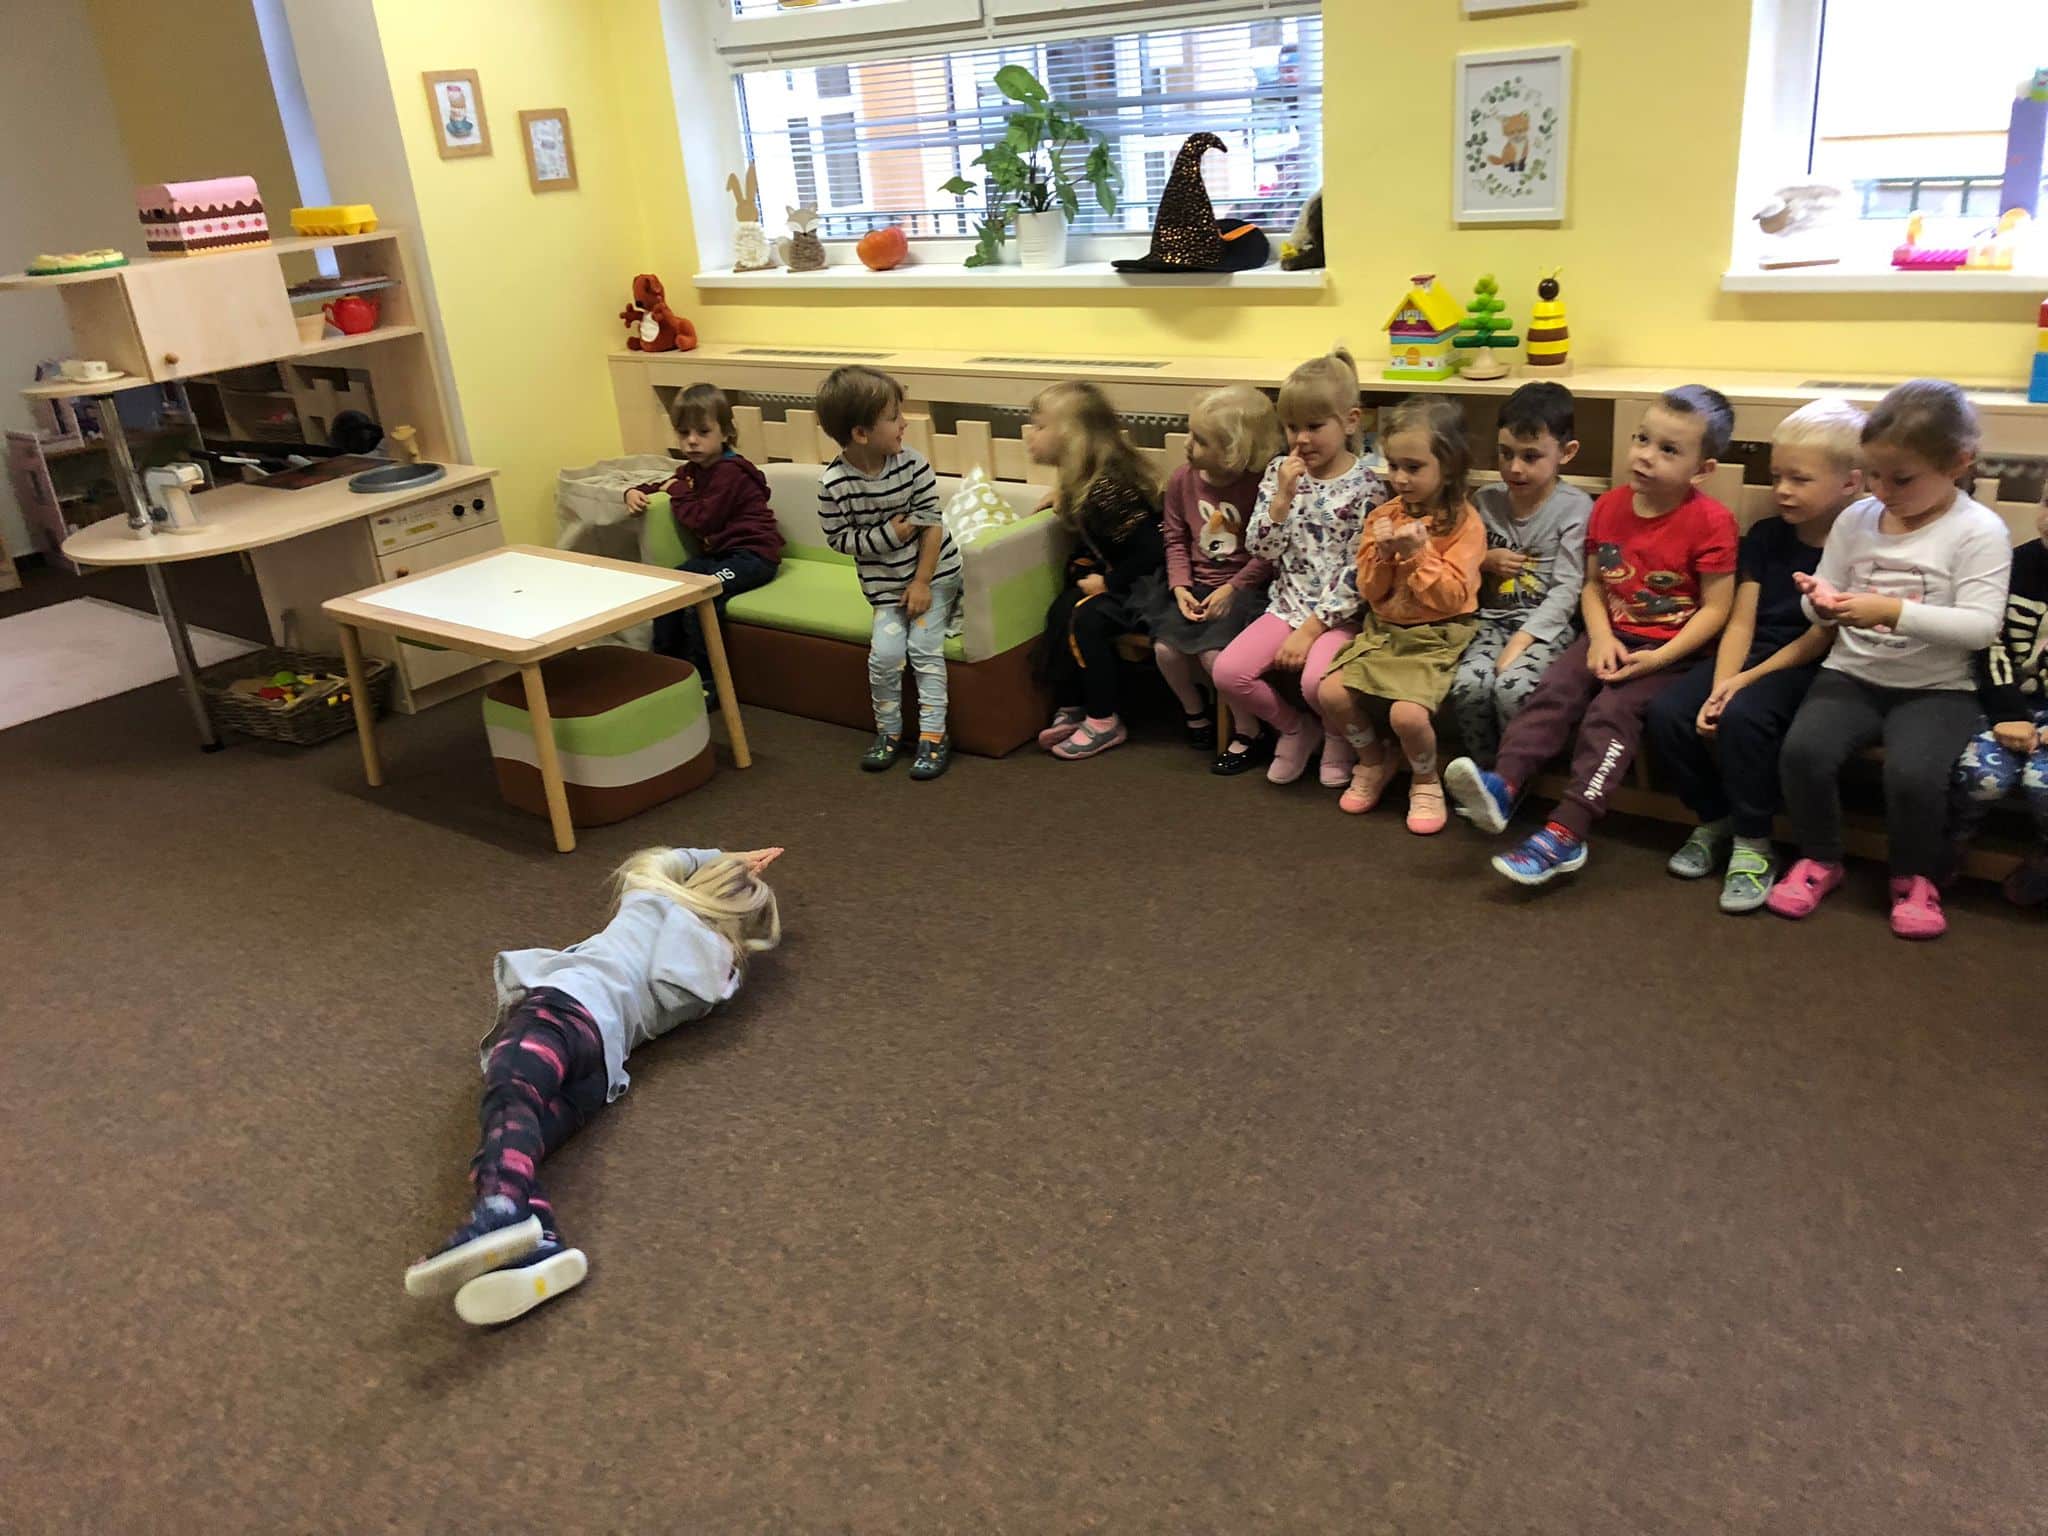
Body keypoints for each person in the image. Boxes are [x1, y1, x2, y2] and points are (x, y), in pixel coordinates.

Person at [404, 846, 783, 1326]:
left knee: (510, 1099)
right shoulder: (713, 982)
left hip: (565, 1011)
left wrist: (722, 855)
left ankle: (501, 1210)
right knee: (517, 1144)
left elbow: (658, 858)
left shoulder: (652, 900)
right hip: (602, 1069)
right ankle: (540, 1243)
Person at [1444, 385, 1740, 884]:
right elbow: (1594, 585)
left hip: (1672, 652)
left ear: (1702, 469)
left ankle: (1568, 830)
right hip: (1611, 635)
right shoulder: (1609, 507)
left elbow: (1717, 609)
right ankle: (1505, 785)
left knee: (1610, 714)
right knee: (1554, 691)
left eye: (1668, 449)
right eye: (1642, 439)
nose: (1645, 456)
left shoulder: (1712, 522)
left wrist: (1660, 657)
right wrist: (1600, 638)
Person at [1769, 380, 2016, 938]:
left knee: (1913, 775)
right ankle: (1820, 858)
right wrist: (1821, 603)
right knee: (1803, 753)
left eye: (1901, 479)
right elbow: (1824, 602)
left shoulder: (1979, 531)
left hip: (1939, 688)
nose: (1882, 491)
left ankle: (1914, 877)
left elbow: (1981, 627)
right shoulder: (1856, 519)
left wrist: (1891, 611)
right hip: (1853, 673)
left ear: (1959, 462)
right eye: (1873, 475)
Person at [1644, 398, 1866, 912]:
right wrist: (1722, 682)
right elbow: (1742, 620)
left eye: (1800, 479)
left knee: (1745, 718)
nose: (1782, 489)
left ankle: (1753, 838)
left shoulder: (1856, 548)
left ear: (1850, 483)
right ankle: (1714, 817)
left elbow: (1820, 638)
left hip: (1807, 665)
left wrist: (1740, 686)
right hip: (1749, 654)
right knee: (1669, 713)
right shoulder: (1767, 536)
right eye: (1777, 476)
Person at [1212, 349, 1386, 783]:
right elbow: (1260, 548)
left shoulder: (1368, 486)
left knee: (1315, 683)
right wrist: (1281, 500)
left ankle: (1336, 736)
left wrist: (1311, 630)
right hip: (1285, 606)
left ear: (1350, 422)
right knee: (1228, 673)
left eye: (1314, 426)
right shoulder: (1280, 473)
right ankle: (1295, 728)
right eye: (1292, 427)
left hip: (1339, 616)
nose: (1301, 439)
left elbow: (1358, 574)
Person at [1315, 396, 1485, 832]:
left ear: (1449, 467)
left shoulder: (1466, 523)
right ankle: (1374, 760)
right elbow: (1370, 591)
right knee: (1331, 693)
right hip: (1384, 631)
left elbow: (1452, 599)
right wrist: (1384, 556)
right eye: (1393, 465)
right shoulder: (1382, 517)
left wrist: (1416, 556)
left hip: (1437, 635)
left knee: (1406, 715)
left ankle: (1425, 779)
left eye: (1414, 467)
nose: (1400, 478)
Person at [816, 366, 964, 780]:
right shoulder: (834, 484)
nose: (904, 424)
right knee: (885, 654)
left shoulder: (913, 464)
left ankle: (933, 736)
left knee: (923, 648)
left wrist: (922, 582)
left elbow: (932, 525)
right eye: (894, 416)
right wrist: (888, 535)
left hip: (934, 575)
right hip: (885, 590)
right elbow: (839, 539)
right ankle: (889, 733)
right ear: (861, 433)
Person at [1445, 381, 1592, 761]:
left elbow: (1567, 590)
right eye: (1505, 453)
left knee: (1512, 687)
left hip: (1546, 628)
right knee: (1468, 687)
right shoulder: (1485, 501)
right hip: (1490, 621)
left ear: (1566, 452)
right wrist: (1484, 560)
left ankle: (1515, 774)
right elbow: (1459, 560)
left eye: (1530, 456)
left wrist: (1521, 641)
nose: (1514, 468)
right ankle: (1481, 772)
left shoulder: (1575, 508)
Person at [1030, 381, 1166, 761]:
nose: (1031, 435)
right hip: (1123, 575)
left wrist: (1108, 582)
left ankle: (1105, 719)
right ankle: (1074, 703)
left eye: (1040, 426)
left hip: (1149, 587)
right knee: (1062, 609)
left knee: (1087, 620)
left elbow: (1153, 550)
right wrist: (1062, 494)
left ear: (1071, 436)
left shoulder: (1106, 489)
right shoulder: (1088, 479)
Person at [1142, 385, 1279, 749]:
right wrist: (1180, 587)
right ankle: (1194, 711)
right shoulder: (1181, 480)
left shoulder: (1262, 486)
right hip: (1195, 585)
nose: (1188, 445)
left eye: (1201, 440)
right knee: (1165, 651)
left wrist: (1232, 588)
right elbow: (1174, 538)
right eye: (1190, 433)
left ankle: (1248, 728)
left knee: (1214, 657)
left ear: (1235, 450)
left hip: (1245, 589)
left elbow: (1268, 553)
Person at [625, 384, 783, 670]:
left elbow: (703, 519)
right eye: (684, 432)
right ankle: (667, 667)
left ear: (726, 432)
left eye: (703, 432)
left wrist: (677, 491)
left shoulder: (730, 473)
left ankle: (709, 678)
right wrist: (634, 491)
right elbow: (666, 484)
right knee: (669, 588)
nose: (692, 441)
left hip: (753, 557)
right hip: (720, 556)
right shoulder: (694, 470)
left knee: (703, 597)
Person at [1948, 491, 2048, 906]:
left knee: (2044, 784)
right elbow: (1989, 644)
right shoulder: (2013, 565)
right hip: (2006, 700)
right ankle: (1955, 836)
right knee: (1981, 777)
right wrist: (2008, 713)